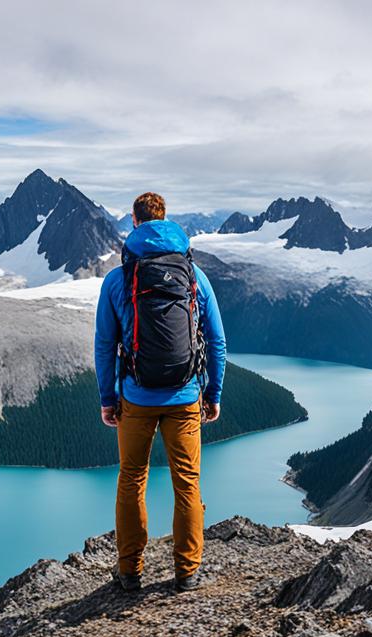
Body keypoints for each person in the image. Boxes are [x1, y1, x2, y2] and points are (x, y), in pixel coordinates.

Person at [94, 192, 226, 592]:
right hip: (186, 396)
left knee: (132, 478)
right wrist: (213, 393)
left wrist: (107, 398)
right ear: (166, 220)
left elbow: (104, 344)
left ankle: (130, 570)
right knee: (187, 481)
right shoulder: (193, 276)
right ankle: (187, 570)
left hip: (136, 396)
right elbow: (216, 340)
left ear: (135, 223)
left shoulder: (118, 279)